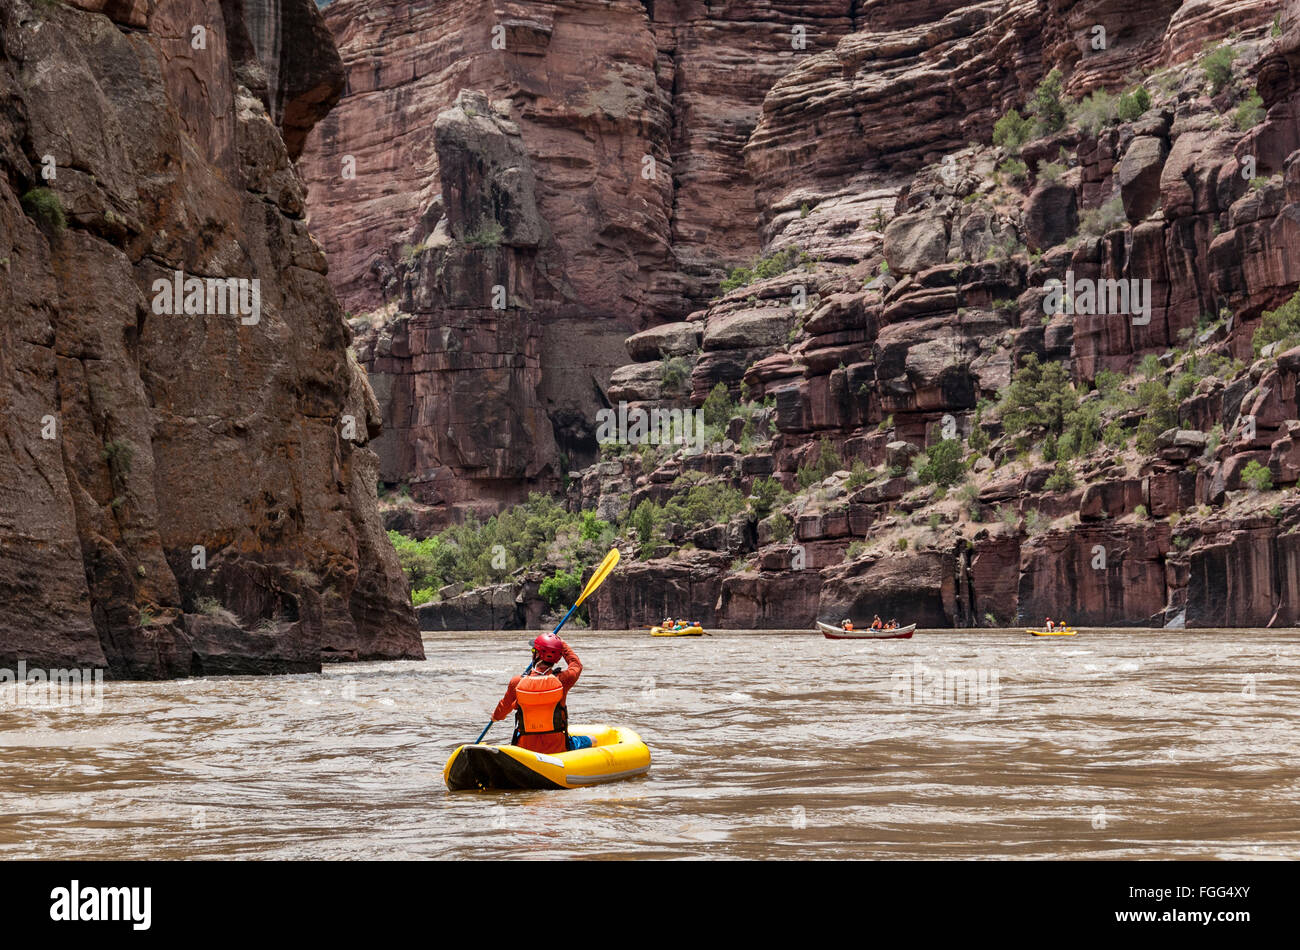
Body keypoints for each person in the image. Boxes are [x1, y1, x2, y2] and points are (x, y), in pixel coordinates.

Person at [491, 633, 593, 754]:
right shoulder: (563, 680)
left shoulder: (517, 682)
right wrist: (562, 645)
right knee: (591, 740)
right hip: (558, 747)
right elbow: (576, 665)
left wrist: (495, 717)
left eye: (533, 650)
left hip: (525, 748)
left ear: (538, 654)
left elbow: (504, 708)